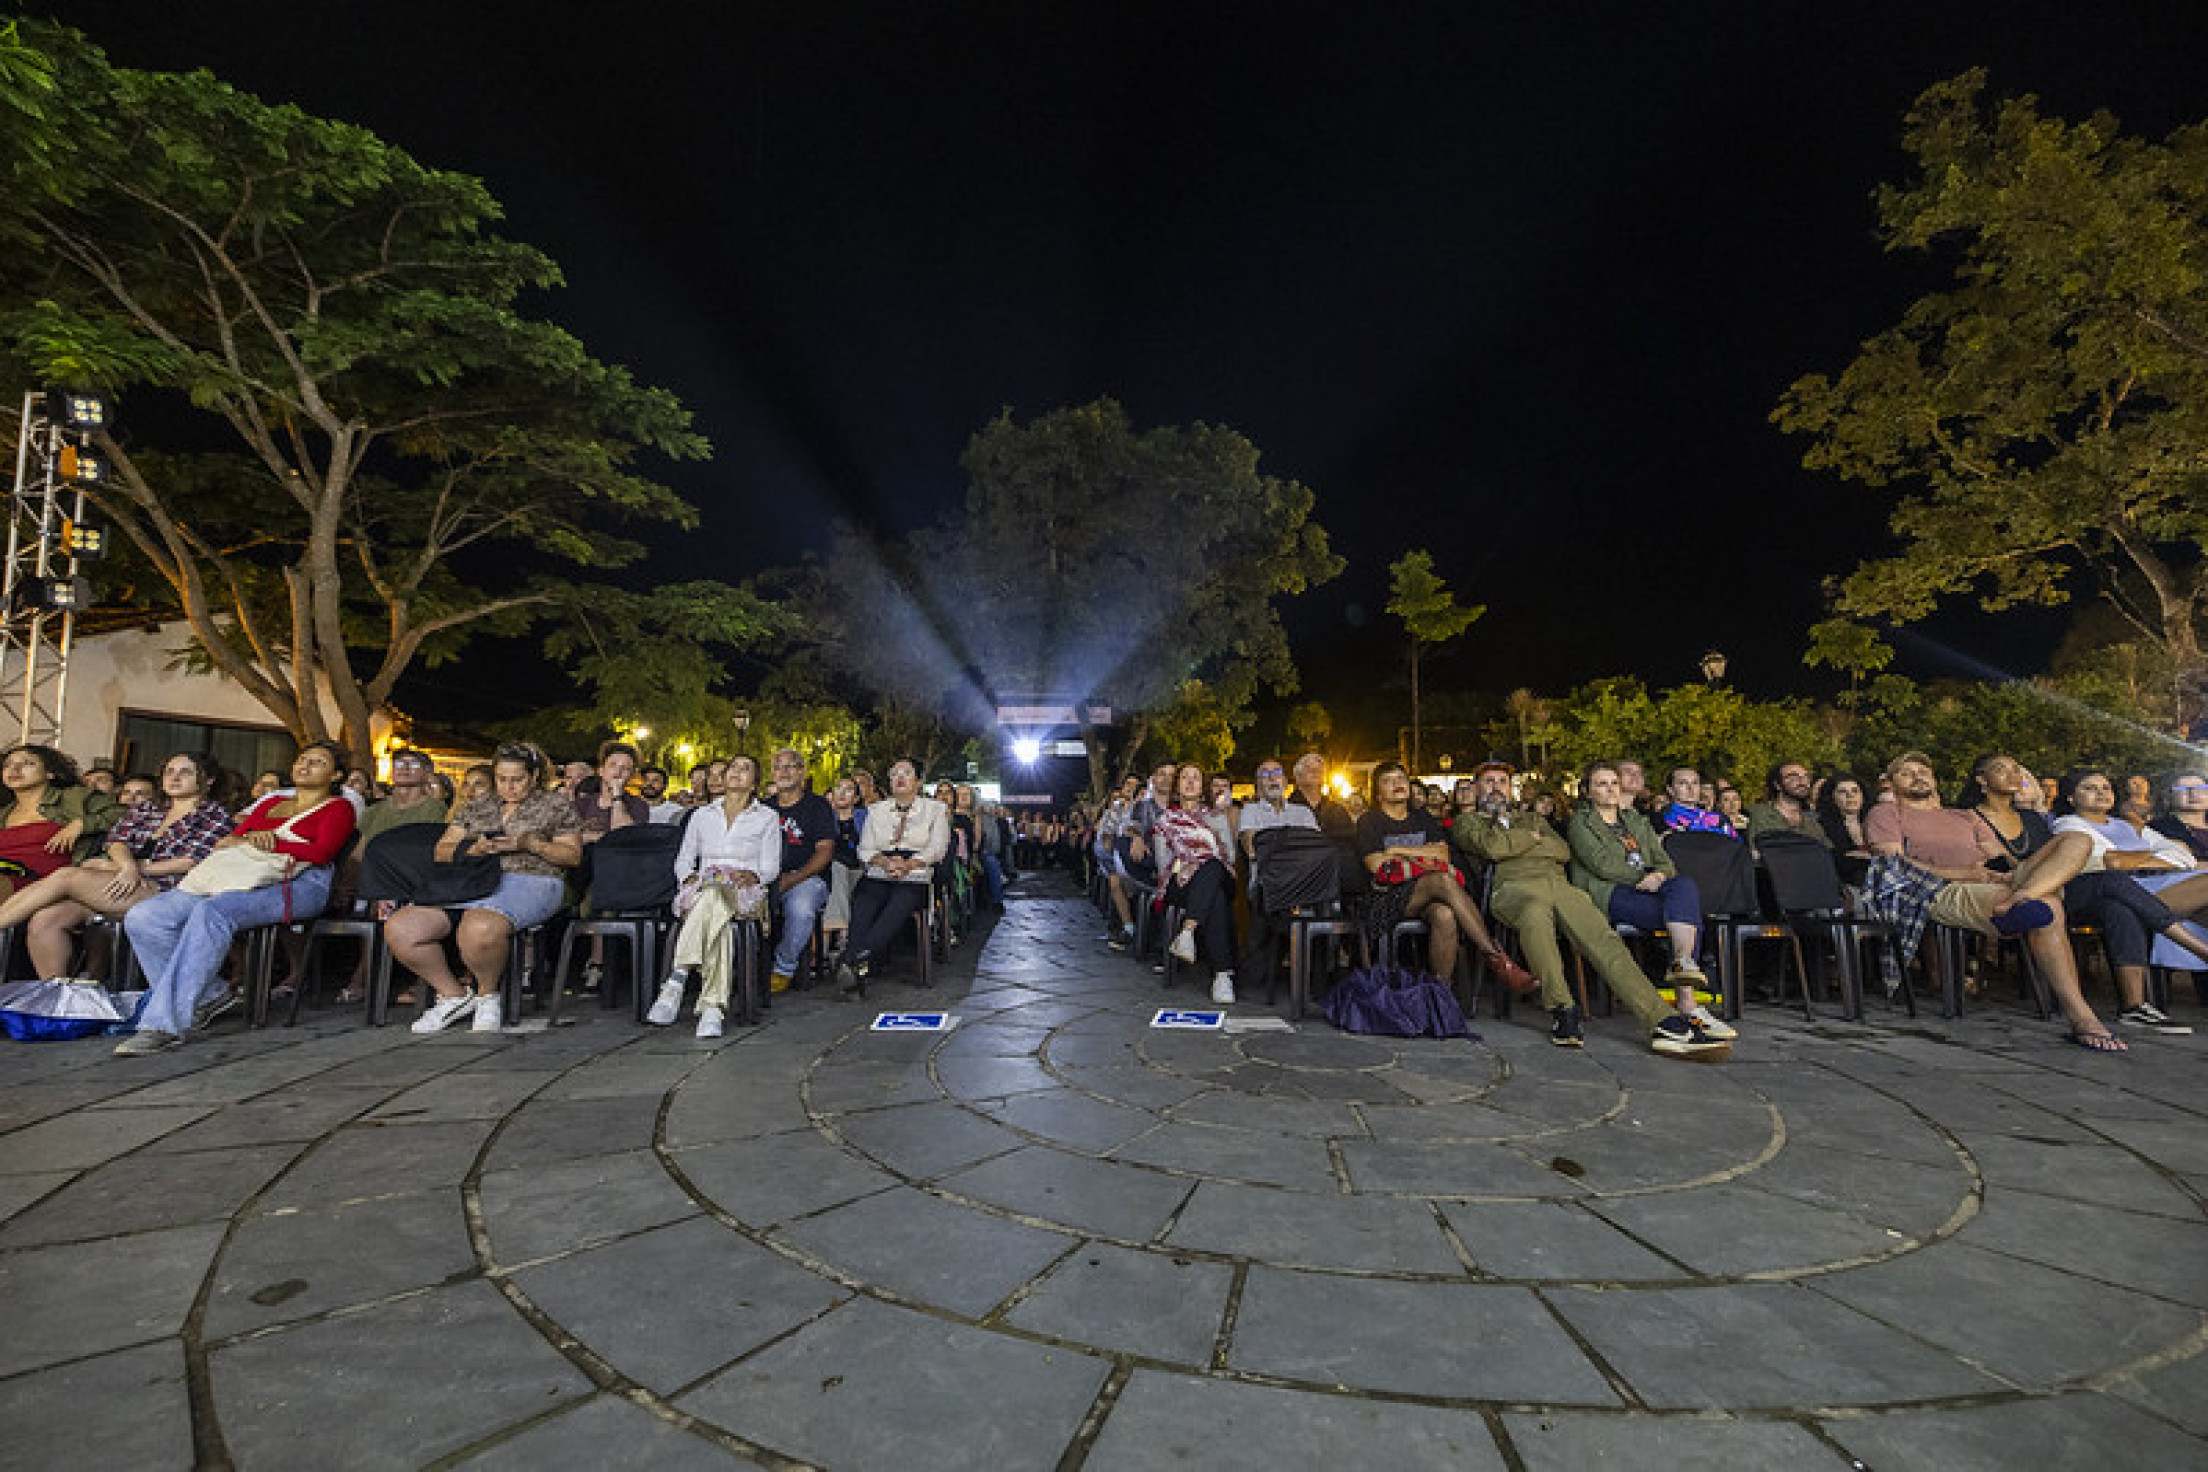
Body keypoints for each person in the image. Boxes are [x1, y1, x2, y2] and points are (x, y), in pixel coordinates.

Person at [1452, 762, 1730, 1057]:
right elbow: (1492, 848)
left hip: (1559, 885)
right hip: (1513, 889)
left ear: (1511, 788)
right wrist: (1531, 841)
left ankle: (1660, 1018)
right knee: (1535, 917)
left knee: (1603, 939)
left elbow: (1561, 850)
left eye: (1503, 782)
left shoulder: (1532, 818)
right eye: (1489, 781)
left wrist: (1515, 843)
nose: (1496, 787)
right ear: (1477, 787)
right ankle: (1562, 1008)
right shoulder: (1468, 821)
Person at [1864, 752, 2123, 1051]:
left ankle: (2025, 895)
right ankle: (2083, 1018)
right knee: (2049, 907)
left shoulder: (1965, 816)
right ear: (1891, 783)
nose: (1918, 776)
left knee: (2077, 839)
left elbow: (2001, 859)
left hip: (1998, 882)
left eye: (1923, 771)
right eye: (1906, 773)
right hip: (1942, 887)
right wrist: (1969, 874)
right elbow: (1895, 867)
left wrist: (2021, 874)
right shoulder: (1886, 813)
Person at [113, 743, 355, 1055]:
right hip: (242, 877)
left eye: (317, 762)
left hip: (301, 883)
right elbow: (228, 841)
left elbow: (322, 853)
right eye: (301, 760)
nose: (305, 766)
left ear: (335, 774)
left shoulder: (338, 807)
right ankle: (210, 994)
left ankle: (163, 1024)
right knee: (146, 916)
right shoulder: (272, 804)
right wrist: (250, 839)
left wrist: (274, 844)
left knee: (212, 912)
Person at [1964, 758, 2205, 1034]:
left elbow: (2181, 856)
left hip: (2116, 890)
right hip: (2071, 887)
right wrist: (2151, 858)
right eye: (2090, 788)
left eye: (2106, 787)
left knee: (2119, 905)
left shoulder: (2119, 825)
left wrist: (2143, 859)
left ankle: (2134, 1006)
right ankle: (2198, 950)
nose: (2102, 793)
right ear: (2070, 796)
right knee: (2112, 881)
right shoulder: (2066, 824)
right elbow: (2107, 862)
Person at [392, 743, 582, 1036]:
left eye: (517, 779)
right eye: (502, 779)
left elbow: (572, 856)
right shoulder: (480, 805)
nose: (509, 787)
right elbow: (442, 850)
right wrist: (474, 848)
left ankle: (487, 995)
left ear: (533, 777)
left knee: (479, 926)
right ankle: (453, 995)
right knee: (402, 928)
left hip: (533, 879)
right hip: (474, 879)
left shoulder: (555, 805)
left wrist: (531, 844)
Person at [0, 751, 231, 980]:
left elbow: (192, 860)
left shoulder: (214, 815)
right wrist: (126, 867)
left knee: (67, 877)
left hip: (167, 890)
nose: (174, 778)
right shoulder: (149, 809)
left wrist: (126, 869)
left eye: (185, 772)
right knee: (46, 919)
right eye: (169, 772)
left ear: (208, 780)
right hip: (123, 881)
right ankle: (59, 996)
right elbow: (116, 841)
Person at [1566, 762, 1729, 1037]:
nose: (1610, 789)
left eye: (1614, 783)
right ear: (1588, 791)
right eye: (1601, 784)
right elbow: (1601, 864)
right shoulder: (1581, 823)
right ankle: (1688, 1003)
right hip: (1612, 892)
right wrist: (1640, 877)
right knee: (1687, 915)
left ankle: (1682, 964)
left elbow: (1664, 860)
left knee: (1684, 888)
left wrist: (1660, 876)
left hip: (1650, 886)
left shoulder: (1636, 821)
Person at [1356, 763, 1533, 1000]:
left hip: (1425, 897)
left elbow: (1443, 855)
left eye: (1401, 778)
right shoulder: (1370, 821)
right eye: (1388, 781)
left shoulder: (1422, 818)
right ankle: (1494, 956)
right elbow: (1377, 866)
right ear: (1378, 794)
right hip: (1385, 899)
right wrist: (1424, 856)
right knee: (1441, 878)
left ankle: (1441, 995)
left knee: (1445, 915)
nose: (1398, 783)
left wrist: (1396, 850)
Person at [648, 754, 781, 1036]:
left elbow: (771, 866)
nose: (736, 773)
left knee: (716, 896)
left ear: (755, 782)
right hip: (703, 887)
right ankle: (712, 1008)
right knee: (716, 912)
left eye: (745, 769)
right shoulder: (702, 815)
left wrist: (754, 876)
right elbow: (684, 859)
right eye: (733, 767)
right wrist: (688, 877)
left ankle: (677, 979)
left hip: (744, 890)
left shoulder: (767, 817)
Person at [836, 759, 948, 996]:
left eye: (906, 773)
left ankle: (855, 957)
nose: (899, 778)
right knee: (865, 898)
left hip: (916, 869)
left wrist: (908, 864)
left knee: (901, 901)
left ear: (918, 781)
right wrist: (886, 862)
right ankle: (857, 962)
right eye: (894, 773)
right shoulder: (876, 811)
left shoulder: (935, 810)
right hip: (881, 867)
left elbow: (937, 849)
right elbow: (865, 849)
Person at [1156, 763, 1241, 1003]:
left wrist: (1201, 859)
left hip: (1218, 875)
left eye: (1196, 777)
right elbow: (1163, 863)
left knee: (1212, 865)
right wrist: (1190, 864)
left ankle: (1187, 931)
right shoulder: (1166, 820)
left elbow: (1230, 857)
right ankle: (1223, 976)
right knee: (1216, 900)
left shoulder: (1216, 817)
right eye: (1185, 777)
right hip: (1181, 881)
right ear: (1177, 786)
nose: (1191, 782)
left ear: (1203, 786)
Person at [0, 744, 121, 901]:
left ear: (50, 773)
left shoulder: (74, 797)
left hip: (49, 883)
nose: (14, 769)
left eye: (28, 763)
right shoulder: (4, 812)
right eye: (8, 764)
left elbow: (122, 814)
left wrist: (81, 824)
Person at [762, 748, 836, 992]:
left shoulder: (817, 806)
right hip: (765, 876)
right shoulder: (762, 809)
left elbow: (824, 850)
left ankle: (784, 967)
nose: (783, 772)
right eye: (777, 767)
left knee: (801, 908)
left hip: (807, 877)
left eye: (790, 766)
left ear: (802, 771)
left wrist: (794, 878)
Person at [574, 740, 648, 845]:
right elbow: (570, 840)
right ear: (601, 771)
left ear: (630, 776)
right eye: (613, 765)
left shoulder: (638, 805)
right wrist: (605, 837)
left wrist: (617, 797)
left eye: (625, 768)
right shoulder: (581, 804)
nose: (618, 772)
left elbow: (624, 838)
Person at [825, 776, 867, 948]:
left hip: (861, 869)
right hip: (833, 871)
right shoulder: (824, 817)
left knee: (841, 874)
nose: (842, 793)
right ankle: (843, 935)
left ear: (856, 798)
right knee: (837, 869)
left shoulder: (866, 817)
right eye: (838, 788)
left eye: (848, 789)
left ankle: (827, 939)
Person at [1746, 761, 1828, 847]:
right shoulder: (1760, 815)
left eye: (1806, 777)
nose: (1802, 782)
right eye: (1793, 777)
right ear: (1777, 785)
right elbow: (1756, 852)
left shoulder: (1813, 819)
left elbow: (1827, 851)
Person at [1657, 766, 1736, 838]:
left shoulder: (1719, 819)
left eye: (1695, 783)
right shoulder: (1661, 820)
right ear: (1670, 790)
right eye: (1683, 783)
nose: (1690, 788)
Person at [2152, 769, 2208, 862]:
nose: (2193, 793)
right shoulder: (2158, 830)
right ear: (2169, 796)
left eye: (2200, 788)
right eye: (2183, 788)